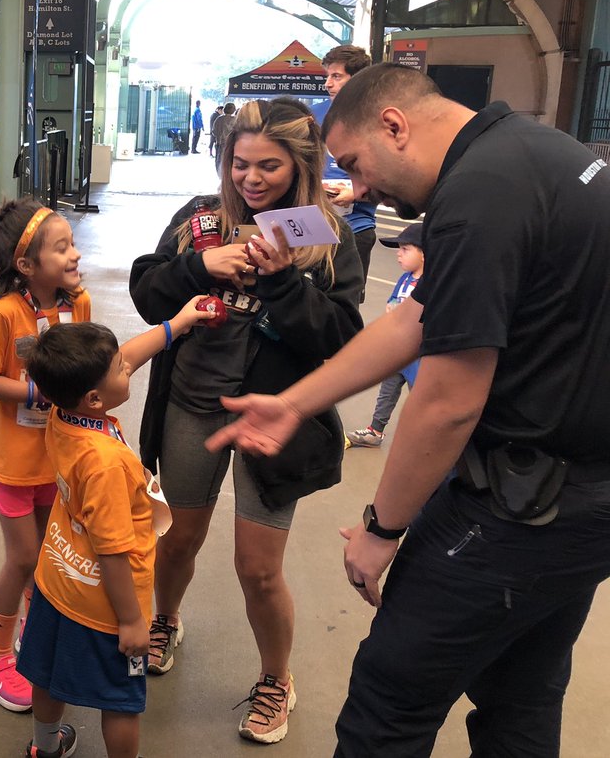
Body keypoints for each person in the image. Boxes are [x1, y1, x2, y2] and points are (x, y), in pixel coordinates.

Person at [206, 64, 610, 757]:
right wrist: (294, 402)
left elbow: (450, 399)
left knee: (388, 701)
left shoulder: (480, 192)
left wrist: (381, 527)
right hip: (582, 502)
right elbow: (416, 319)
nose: (359, 188)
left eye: (358, 165)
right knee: (519, 696)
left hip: (523, 503)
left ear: (394, 125)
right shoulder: (535, 152)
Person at [130, 97, 362, 744]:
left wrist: (286, 283)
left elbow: (341, 339)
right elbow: (147, 294)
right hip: (191, 404)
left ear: (302, 167)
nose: (251, 180)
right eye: (239, 165)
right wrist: (197, 267)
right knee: (176, 537)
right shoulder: (198, 220)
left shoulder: (325, 235)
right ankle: (165, 619)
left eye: (269, 168)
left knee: (258, 568)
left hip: (274, 420)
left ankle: (275, 678)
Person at [17, 307, 211, 758]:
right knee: (122, 702)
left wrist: (176, 325)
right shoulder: (105, 462)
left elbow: (122, 358)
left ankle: (45, 747)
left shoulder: (64, 416)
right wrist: (130, 620)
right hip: (106, 605)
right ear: (95, 399)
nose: (127, 365)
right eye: (120, 369)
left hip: (58, 580)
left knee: (46, 675)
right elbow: (113, 549)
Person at [0, 198, 91, 713]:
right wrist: (38, 393)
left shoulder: (76, 305)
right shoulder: (3, 313)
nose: (75, 255)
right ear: (26, 265)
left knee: (45, 557)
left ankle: (32, 641)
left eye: (72, 244)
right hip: (11, 463)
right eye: (61, 248)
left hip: (55, 458)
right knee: (22, 557)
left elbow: (85, 366)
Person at [346, 222, 424, 448]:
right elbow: (392, 305)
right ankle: (375, 431)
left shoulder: (429, 284)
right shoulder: (406, 278)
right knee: (387, 392)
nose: (398, 255)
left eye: (405, 250)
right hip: (398, 350)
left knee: (419, 397)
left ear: (425, 254)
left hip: (418, 354)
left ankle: (423, 439)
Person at [319, 45, 377, 299]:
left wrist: (356, 193)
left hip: (356, 228)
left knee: (346, 307)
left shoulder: (377, 118)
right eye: (327, 76)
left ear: (358, 79)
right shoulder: (315, 114)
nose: (328, 84)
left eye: (337, 76)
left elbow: (394, 180)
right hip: (315, 229)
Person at [211, 102, 237, 176]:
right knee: (229, 161)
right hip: (231, 145)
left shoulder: (219, 119)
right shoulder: (235, 120)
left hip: (219, 144)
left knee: (219, 160)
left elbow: (214, 131)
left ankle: (220, 175)